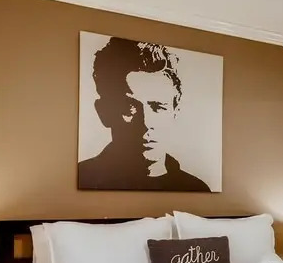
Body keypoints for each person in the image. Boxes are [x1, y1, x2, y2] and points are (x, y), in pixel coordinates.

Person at [78, 37, 211, 192]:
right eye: (130, 108)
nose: (146, 124)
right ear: (104, 112)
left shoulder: (196, 189)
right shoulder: (85, 177)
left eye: (158, 107)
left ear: (175, 112)